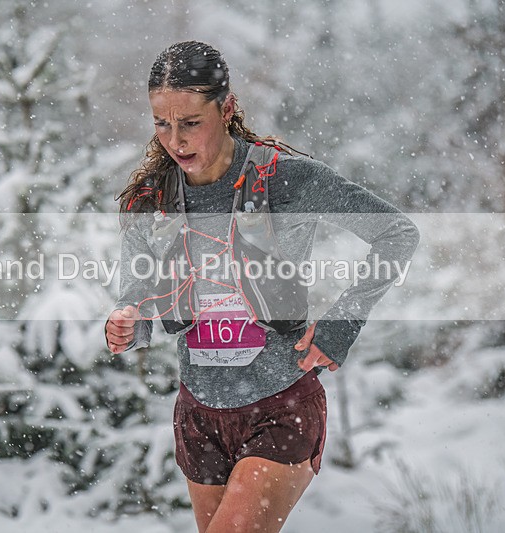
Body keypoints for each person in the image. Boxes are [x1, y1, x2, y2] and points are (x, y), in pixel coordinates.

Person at [105, 41, 419, 533]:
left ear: (226, 108)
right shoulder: (152, 195)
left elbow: (396, 233)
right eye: (162, 124)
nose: (175, 140)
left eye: (190, 122)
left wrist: (342, 321)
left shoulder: (285, 180)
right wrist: (127, 320)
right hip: (199, 413)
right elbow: (138, 291)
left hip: (280, 407)